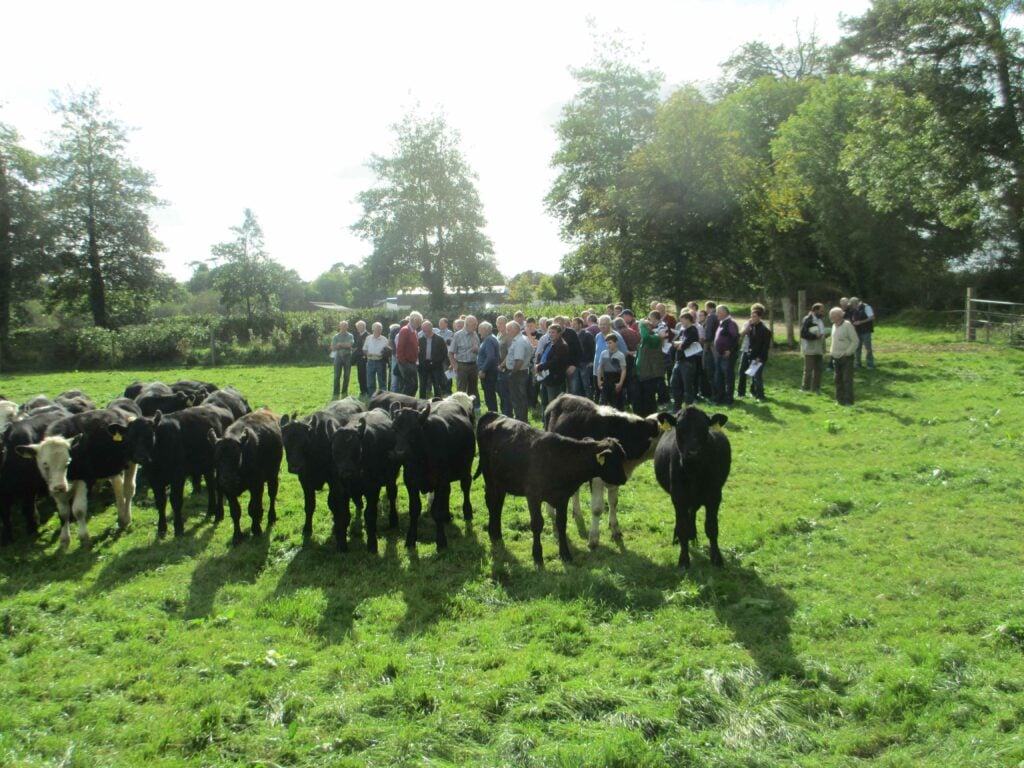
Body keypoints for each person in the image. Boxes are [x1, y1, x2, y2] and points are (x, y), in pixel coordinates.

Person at [635, 312, 665, 416]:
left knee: (649, 398)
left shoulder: (655, 338)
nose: (640, 330)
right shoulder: (644, 340)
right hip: (642, 373)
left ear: (649, 327)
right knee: (642, 397)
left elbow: (646, 336)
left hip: (650, 374)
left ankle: (651, 416)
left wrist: (641, 325)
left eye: (643, 327)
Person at [670, 311, 701, 408]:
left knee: (687, 386)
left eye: (682, 320)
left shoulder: (693, 330)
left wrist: (679, 345)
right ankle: (677, 407)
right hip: (679, 361)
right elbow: (674, 342)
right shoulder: (683, 330)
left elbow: (684, 345)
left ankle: (689, 409)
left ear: (688, 319)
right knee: (674, 383)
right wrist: (678, 344)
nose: (681, 322)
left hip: (688, 362)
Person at [534, 323, 571, 405]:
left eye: (553, 332)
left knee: (553, 403)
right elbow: (542, 355)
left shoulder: (562, 346)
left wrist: (539, 367)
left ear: (559, 333)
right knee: (544, 401)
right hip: (544, 376)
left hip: (554, 378)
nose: (551, 334)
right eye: (549, 332)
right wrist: (537, 363)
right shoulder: (548, 343)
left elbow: (555, 362)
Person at [829, 306, 858, 406]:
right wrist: (832, 352)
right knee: (837, 379)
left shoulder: (848, 325)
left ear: (840, 316)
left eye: (833, 315)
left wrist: (847, 353)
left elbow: (855, 341)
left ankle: (849, 401)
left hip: (846, 357)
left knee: (847, 380)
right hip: (835, 357)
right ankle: (839, 400)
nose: (831, 317)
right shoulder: (833, 326)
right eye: (831, 315)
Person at [449, 314, 481, 407]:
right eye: (474, 325)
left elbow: (479, 350)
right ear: (466, 324)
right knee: (461, 390)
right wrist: (454, 365)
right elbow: (450, 352)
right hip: (462, 365)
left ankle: (472, 409)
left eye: (476, 324)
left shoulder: (475, 334)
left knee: (473, 389)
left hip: (473, 365)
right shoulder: (458, 335)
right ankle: (460, 409)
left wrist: (477, 349)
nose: (476, 327)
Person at [504, 320, 533, 421]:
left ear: (515, 329)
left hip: (518, 373)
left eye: (508, 329)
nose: (507, 332)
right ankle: (522, 418)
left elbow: (519, 361)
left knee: (517, 398)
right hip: (522, 371)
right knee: (520, 397)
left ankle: (521, 419)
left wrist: (512, 373)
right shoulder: (523, 338)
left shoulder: (520, 342)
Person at [744, 306, 772, 402]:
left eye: (754, 317)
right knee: (753, 376)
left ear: (760, 317)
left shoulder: (765, 330)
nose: (752, 318)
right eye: (751, 316)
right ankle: (753, 392)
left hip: (759, 357)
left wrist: (759, 357)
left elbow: (765, 346)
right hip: (751, 355)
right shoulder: (752, 327)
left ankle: (760, 396)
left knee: (757, 377)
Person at [714, 304, 739, 406]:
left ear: (724, 313)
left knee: (728, 377)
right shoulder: (722, 323)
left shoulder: (730, 323)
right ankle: (720, 398)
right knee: (719, 377)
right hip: (720, 354)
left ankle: (729, 399)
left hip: (727, 355)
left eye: (718, 312)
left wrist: (730, 350)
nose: (716, 314)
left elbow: (735, 337)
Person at [799, 303, 827, 393]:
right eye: (821, 311)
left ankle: (816, 388)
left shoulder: (820, 320)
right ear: (815, 310)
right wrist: (815, 336)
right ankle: (805, 388)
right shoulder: (807, 319)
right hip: (810, 348)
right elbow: (803, 333)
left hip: (819, 347)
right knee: (808, 369)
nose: (822, 312)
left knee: (818, 369)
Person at [418, 319, 448, 398]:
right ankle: (421, 400)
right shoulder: (420, 340)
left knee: (437, 384)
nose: (425, 333)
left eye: (427, 330)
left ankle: (438, 400)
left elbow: (444, 353)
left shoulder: (439, 339)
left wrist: (436, 361)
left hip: (436, 365)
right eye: (424, 331)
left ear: (431, 329)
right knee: (422, 385)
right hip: (423, 365)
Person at [597, 333, 628, 410]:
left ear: (616, 343)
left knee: (616, 402)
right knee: (603, 401)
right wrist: (599, 380)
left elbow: (623, 370)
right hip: (606, 378)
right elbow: (600, 367)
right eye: (607, 343)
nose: (608, 345)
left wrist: (620, 383)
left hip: (615, 379)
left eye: (610, 343)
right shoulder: (603, 353)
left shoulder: (620, 355)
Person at [476, 321, 501, 412]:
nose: (479, 332)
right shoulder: (492, 338)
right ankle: (492, 412)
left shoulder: (488, 340)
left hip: (488, 372)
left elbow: (490, 357)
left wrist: (483, 370)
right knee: (490, 394)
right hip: (491, 371)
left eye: (480, 330)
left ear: (485, 330)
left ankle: (492, 413)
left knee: (489, 394)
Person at [394, 313, 420, 396]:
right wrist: (403, 362)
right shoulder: (405, 330)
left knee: (414, 385)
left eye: (419, 322)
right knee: (409, 385)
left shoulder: (414, 331)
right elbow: (400, 347)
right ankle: (404, 402)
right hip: (405, 363)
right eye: (417, 322)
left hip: (413, 362)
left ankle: (409, 401)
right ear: (411, 320)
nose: (419, 324)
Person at [330, 320, 355, 399]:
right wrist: (344, 345)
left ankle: (344, 392)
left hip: (348, 357)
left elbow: (350, 345)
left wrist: (340, 344)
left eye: (345, 326)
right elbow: (332, 348)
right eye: (342, 326)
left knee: (347, 376)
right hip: (338, 357)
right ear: (339, 327)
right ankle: (336, 393)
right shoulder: (336, 336)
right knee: (337, 376)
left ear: (347, 327)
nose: (343, 327)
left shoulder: (350, 335)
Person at [363, 322, 390, 395]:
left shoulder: (384, 339)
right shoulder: (368, 338)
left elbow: (388, 351)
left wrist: (383, 354)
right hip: (370, 361)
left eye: (380, 329)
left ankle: (383, 397)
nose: (378, 330)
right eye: (376, 329)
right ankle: (372, 396)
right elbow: (364, 349)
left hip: (381, 361)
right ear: (373, 329)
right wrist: (367, 353)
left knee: (382, 381)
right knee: (370, 381)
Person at [849, 297, 876, 369]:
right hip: (857, 331)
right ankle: (858, 364)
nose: (852, 306)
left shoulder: (866, 307)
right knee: (857, 348)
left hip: (866, 330)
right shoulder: (854, 310)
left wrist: (860, 322)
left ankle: (870, 364)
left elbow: (872, 317)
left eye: (852, 305)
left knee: (868, 348)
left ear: (855, 303)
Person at [352, 320, 369, 396]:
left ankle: (367, 390)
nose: (358, 328)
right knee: (360, 375)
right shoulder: (358, 335)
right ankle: (362, 390)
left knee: (365, 375)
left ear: (364, 327)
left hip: (365, 358)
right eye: (357, 327)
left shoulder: (367, 336)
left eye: (359, 327)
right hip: (359, 358)